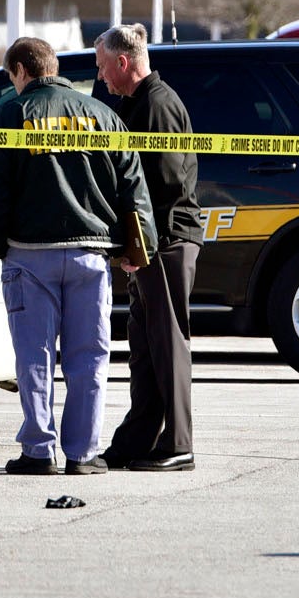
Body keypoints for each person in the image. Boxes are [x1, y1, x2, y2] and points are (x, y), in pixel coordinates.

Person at [0, 36, 157, 476]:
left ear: (20, 70)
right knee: (89, 357)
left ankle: (38, 452)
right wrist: (137, 247)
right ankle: (82, 454)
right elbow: (134, 187)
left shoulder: (8, 116)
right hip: (92, 257)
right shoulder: (104, 116)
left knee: (34, 357)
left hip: (29, 256)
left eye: (10, 76)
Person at [94, 23, 203, 471]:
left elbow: (161, 184)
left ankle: (178, 445)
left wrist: (136, 245)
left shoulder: (156, 106)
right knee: (145, 344)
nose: (100, 77)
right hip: (150, 244)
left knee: (168, 342)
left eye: (102, 67)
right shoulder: (138, 104)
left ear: (123, 62)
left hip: (165, 242)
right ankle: (138, 440)